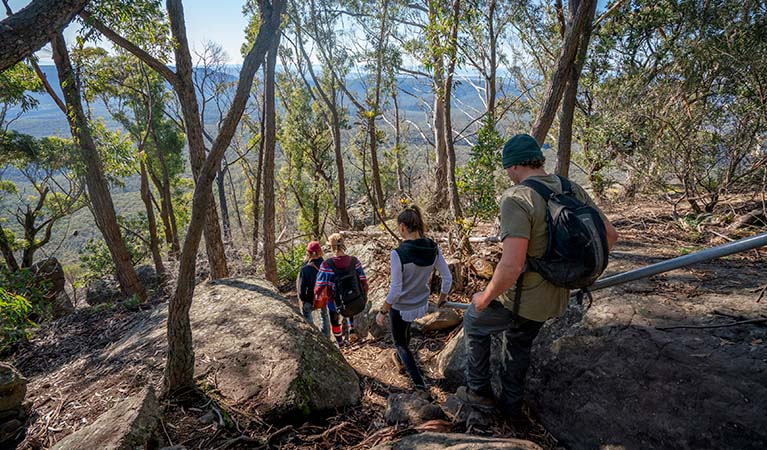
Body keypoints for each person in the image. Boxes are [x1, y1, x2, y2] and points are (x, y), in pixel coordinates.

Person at [460, 133, 619, 419]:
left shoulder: (517, 198)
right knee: (518, 342)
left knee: (474, 320)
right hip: (558, 295)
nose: (508, 174)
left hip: (526, 298)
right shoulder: (570, 187)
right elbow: (610, 235)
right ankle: (511, 408)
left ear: (514, 166)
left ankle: (478, 392)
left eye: (507, 168)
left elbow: (512, 266)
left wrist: (484, 298)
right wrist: (571, 274)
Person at [375, 205, 452, 392]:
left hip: (401, 307)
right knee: (405, 333)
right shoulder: (433, 248)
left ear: (402, 227)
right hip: (421, 304)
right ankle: (403, 359)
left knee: (400, 343)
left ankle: (418, 383)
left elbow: (395, 290)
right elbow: (447, 276)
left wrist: (383, 311)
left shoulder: (398, 254)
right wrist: (442, 297)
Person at [315, 233, 369, 347]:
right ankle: (351, 329)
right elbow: (364, 281)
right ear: (343, 244)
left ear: (331, 247)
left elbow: (319, 286)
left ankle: (340, 343)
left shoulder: (326, 265)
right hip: (356, 299)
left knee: (335, 321)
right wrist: (364, 296)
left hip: (334, 302)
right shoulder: (355, 261)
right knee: (349, 301)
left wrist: (317, 297)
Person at [296, 240, 330, 336]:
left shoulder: (305, 269)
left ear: (309, 253)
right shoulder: (326, 264)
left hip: (310, 300)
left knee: (306, 312)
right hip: (323, 297)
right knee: (324, 315)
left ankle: (314, 337)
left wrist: (304, 300)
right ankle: (326, 337)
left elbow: (301, 291)